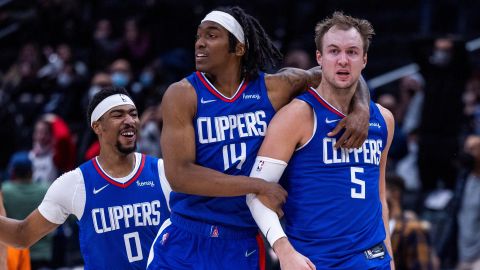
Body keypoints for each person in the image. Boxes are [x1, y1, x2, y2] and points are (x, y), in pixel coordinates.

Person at [148, 6, 371, 270]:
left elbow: (338, 72)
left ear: (239, 48)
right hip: (187, 237)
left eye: (211, 35)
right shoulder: (182, 94)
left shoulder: (275, 88)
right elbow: (179, 175)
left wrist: (362, 108)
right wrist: (256, 185)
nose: (200, 43)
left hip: (241, 241)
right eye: (199, 35)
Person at [247, 11, 394, 269]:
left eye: (352, 52)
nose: (343, 61)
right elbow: (256, 193)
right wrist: (284, 251)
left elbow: (379, 197)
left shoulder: (384, 119)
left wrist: (390, 260)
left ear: (365, 59)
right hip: (315, 260)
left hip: (371, 260)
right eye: (334, 51)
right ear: (319, 58)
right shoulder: (296, 116)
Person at [0, 87, 171, 269]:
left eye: (133, 114)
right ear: (97, 126)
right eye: (118, 115)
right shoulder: (74, 183)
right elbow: (22, 235)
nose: (129, 121)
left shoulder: (163, 172)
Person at [2, 151, 53, 268]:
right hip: (42, 255)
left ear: (13, 172)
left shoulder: (5, 191)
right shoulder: (46, 190)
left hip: (14, 257)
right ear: (31, 171)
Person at [387, 173, 438, 270]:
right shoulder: (375, 227)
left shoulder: (412, 228)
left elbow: (422, 266)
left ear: (395, 193)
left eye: (382, 189)